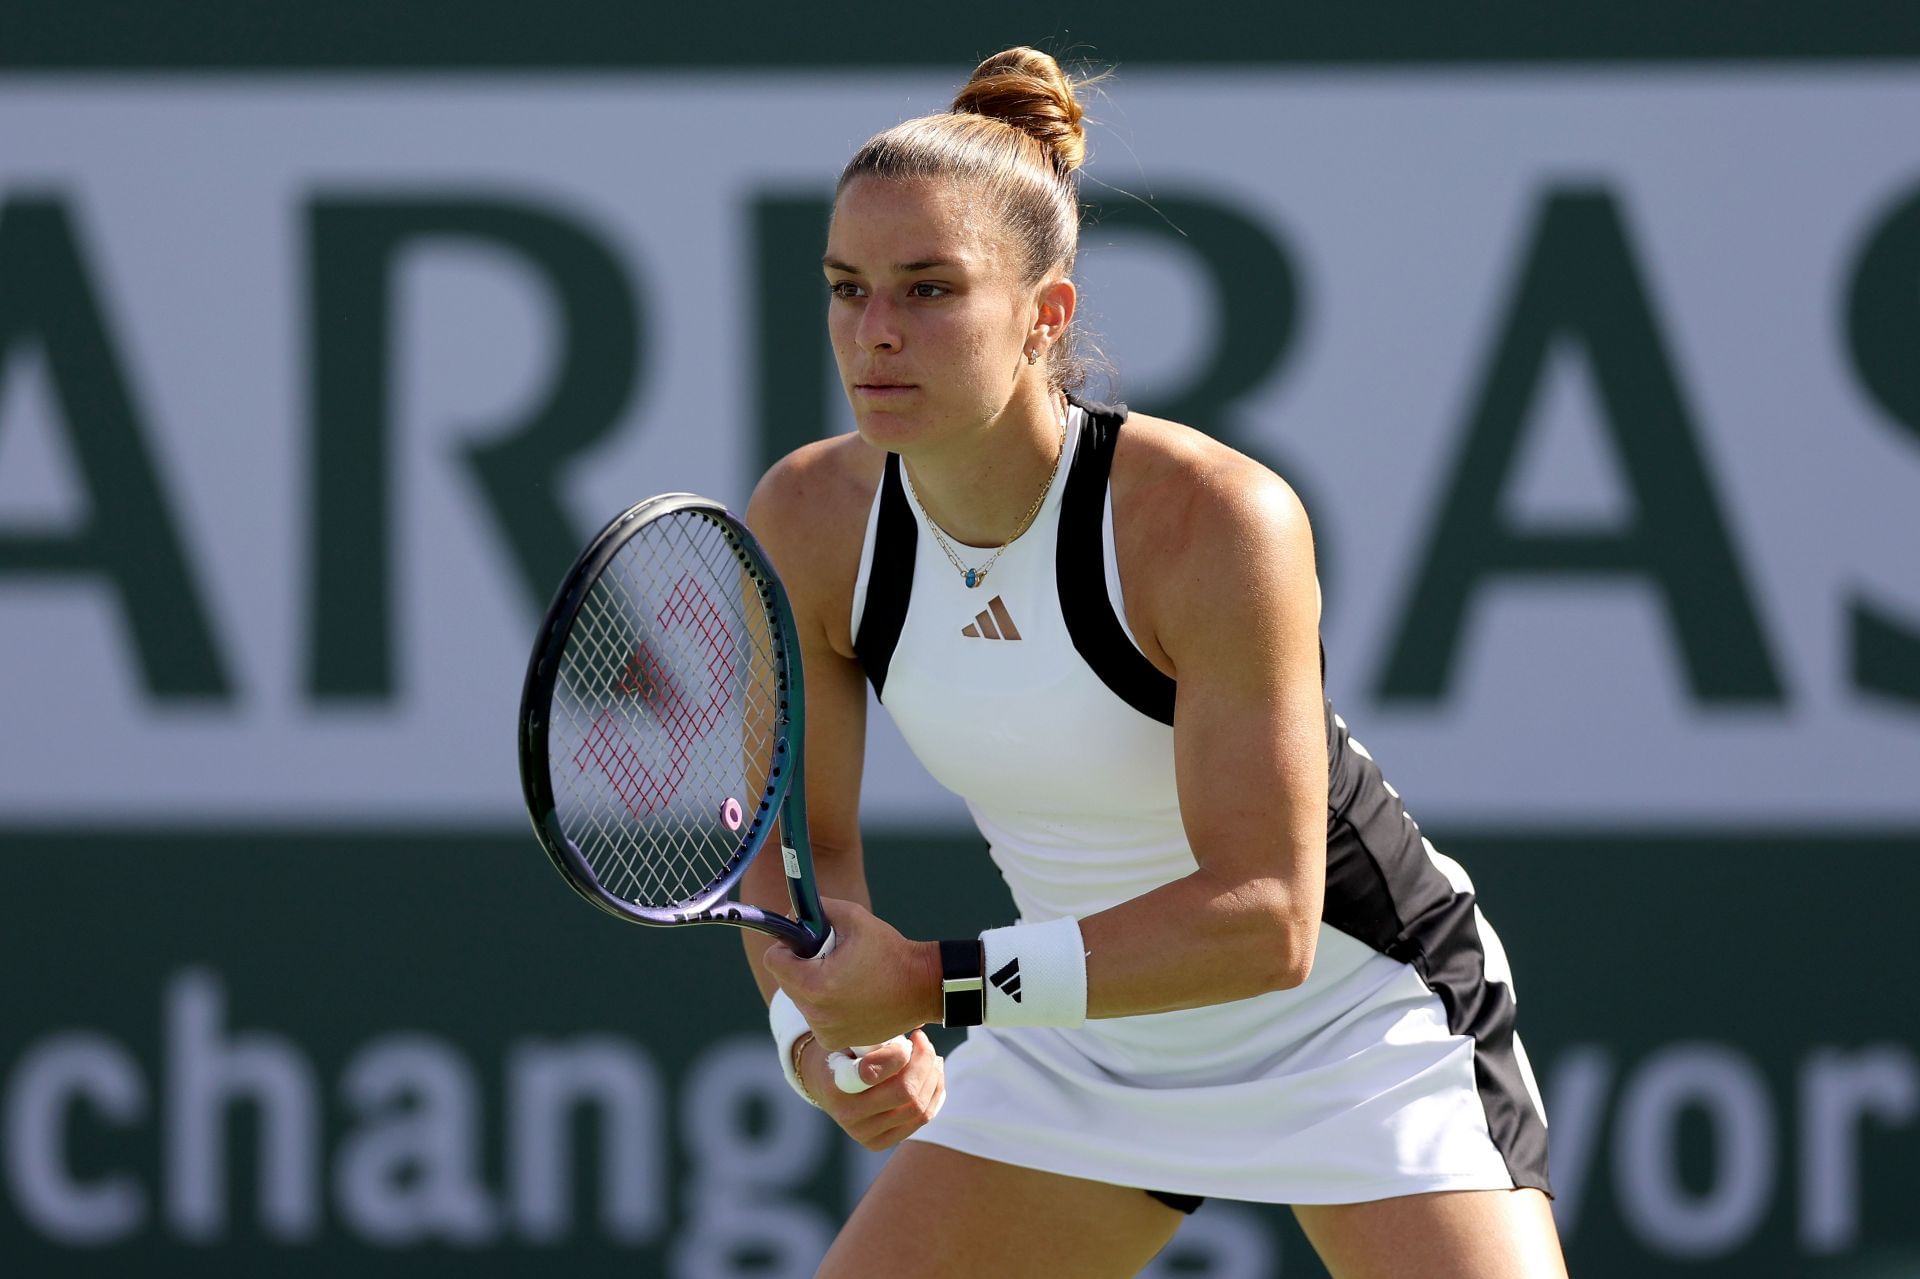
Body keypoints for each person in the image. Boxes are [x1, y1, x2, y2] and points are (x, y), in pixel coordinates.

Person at [739, 46, 1569, 1279]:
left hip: (1350, 1024)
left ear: (1045, 313)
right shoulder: (809, 520)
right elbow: (794, 849)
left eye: (929, 289)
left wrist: (926, 981)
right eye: (846, 286)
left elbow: (1269, 920)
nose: (875, 334)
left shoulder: (1211, 521)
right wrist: (815, 1036)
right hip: (1080, 1033)